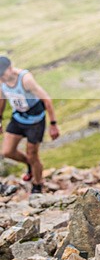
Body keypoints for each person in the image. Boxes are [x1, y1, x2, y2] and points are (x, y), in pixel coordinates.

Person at [0, 56, 60, 194]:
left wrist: (53, 124)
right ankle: (30, 164)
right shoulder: (1, 80)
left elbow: (47, 99)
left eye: (2, 75)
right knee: (7, 151)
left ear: (10, 68)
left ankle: (38, 185)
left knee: (33, 154)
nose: (1, 78)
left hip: (35, 121)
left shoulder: (25, 79)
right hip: (18, 118)